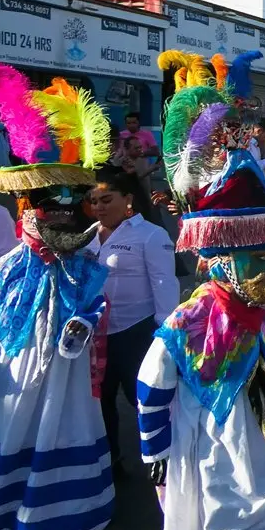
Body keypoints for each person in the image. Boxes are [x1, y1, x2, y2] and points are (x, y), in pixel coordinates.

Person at [138, 76, 265, 530]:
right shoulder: (186, 323)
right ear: (220, 258)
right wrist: (157, 459)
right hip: (217, 446)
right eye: (255, 256)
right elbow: (152, 389)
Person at [0, 64, 114, 530]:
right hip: (15, 377)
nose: (65, 208)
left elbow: (97, 307)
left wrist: (85, 321)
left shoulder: (87, 267)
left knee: (65, 423)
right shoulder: (4, 272)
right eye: (51, 201)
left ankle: (63, 508)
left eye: (75, 199)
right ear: (27, 210)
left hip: (67, 377)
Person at [88, 167, 179, 478]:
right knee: (99, 405)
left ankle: (164, 459)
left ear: (127, 199)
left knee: (147, 401)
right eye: (94, 200)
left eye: (106, 199)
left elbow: (165, 285)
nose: (98, 206)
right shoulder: (88, 236)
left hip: (138, 333)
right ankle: (110, 462)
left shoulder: (151, 235)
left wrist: (164, 335)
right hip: (96, 336)